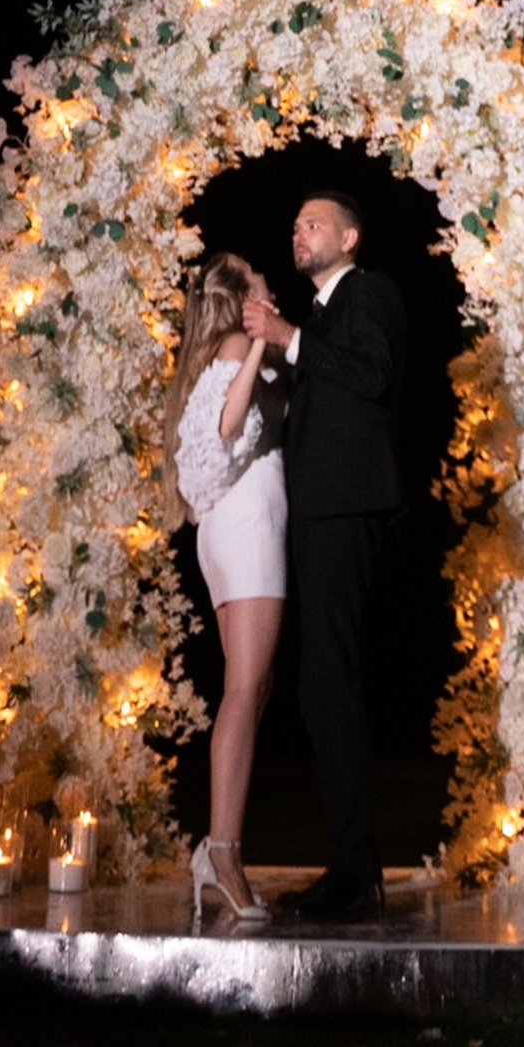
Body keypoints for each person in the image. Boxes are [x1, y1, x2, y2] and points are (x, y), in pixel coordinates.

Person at [241, 191, 404, 919]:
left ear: (350, 234)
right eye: (295, 222)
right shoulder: (317, 319)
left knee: (329, 679)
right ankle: (350, 866)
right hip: (317, 511)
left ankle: (355, 874)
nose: (298, 231)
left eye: (313, 222)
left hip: (346, 508)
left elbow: (371, 374)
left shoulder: (370, 293)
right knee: (319, 682)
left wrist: (288, 335)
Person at [166, 248, 287, 924]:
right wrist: (257, 349)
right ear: (243, 292)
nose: (264, 269)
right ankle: (222, 852)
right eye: (254, 268)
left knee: (253, 684)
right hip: (244, 525)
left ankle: (222, 848)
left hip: (243, 523)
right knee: (244, 688)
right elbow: (221, 431)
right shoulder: (239, 342)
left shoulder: (228, 342)